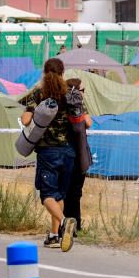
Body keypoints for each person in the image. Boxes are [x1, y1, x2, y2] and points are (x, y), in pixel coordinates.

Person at [20, 58, 78, 251]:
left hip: (48, 151)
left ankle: (64, 222)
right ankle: (54, 236)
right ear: (63, 73)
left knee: (46, 195)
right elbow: (85, 121)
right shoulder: (70, 93)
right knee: (58, 195)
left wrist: (34, 113)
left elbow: (26, 119)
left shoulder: (39, 93)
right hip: (69, 151)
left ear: (44, 73)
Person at [62, 78, 93, 237]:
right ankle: (76, 225)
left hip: (65, 152)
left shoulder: (62, 102)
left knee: (65, 192)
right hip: (80, 153)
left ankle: (65, 224)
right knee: (75, 193)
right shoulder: (78, 105)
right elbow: (89, 123)